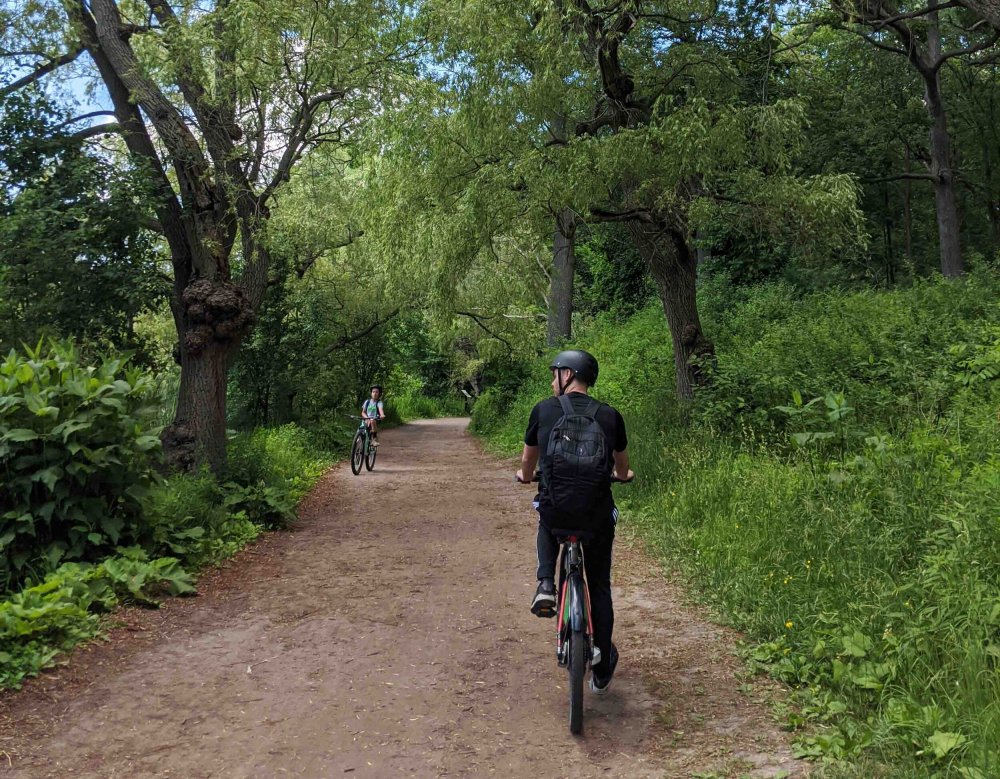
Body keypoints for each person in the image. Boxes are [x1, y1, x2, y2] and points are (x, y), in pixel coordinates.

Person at [515, 349, 633, 695]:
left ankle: (546, 585)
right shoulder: (610, 415)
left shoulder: (545, 410)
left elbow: (527, 462)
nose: (553, 381)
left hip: (557, 510)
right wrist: (624, 476)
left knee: (544, 514)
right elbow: (622, 468)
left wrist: (524, 477)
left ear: (568, 374)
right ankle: (601, 667)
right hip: (596, 515)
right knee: (599, 585)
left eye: (556, 374)